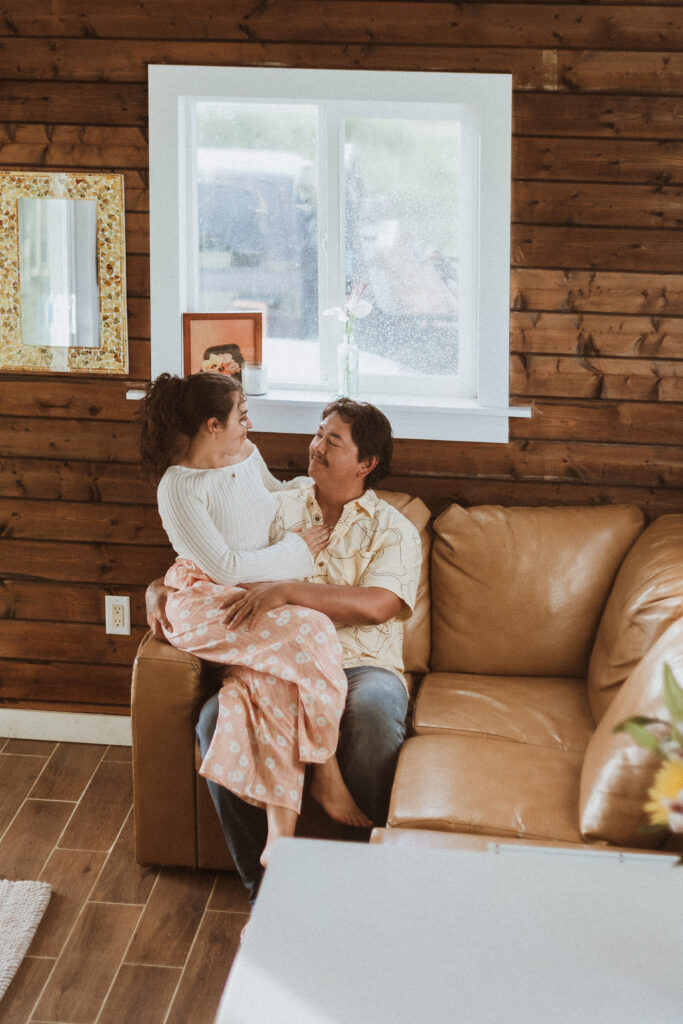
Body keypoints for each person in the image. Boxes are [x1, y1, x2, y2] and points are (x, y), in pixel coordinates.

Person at [147, 397, 422, 902]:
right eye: (318, 434)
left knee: (376, 711)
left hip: (362, 663)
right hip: (271, 657)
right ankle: (268, 890)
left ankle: (358, 874)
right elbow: (217, 558)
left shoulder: (394, 529)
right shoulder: (280, 503)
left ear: (367, 463)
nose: (315, 447)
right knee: (214, 721)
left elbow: (381, 604)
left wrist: (290, 590)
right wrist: (161, 588)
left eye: (332, 441)